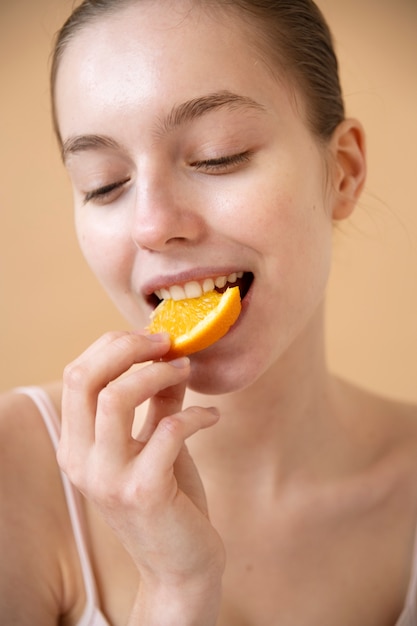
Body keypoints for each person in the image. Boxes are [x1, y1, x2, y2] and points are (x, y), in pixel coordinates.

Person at [1, 0, 416, 624]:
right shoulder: (14, 473)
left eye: (217, 156)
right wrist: (175, 589)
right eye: (104, 183)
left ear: (344, 173)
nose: (152, 225)